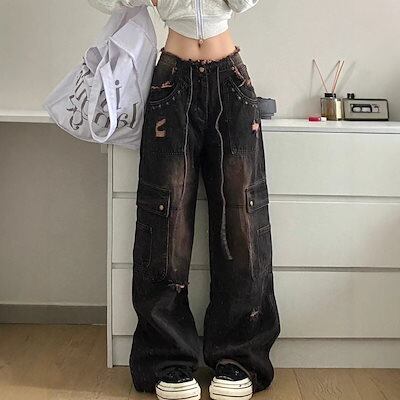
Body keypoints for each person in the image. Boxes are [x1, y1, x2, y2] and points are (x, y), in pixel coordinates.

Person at [89, 1, 281, 399]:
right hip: (171, 81)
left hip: (231, 81)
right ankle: (166, 360)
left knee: (242, 220)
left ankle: (240, 357)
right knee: (165, 221)